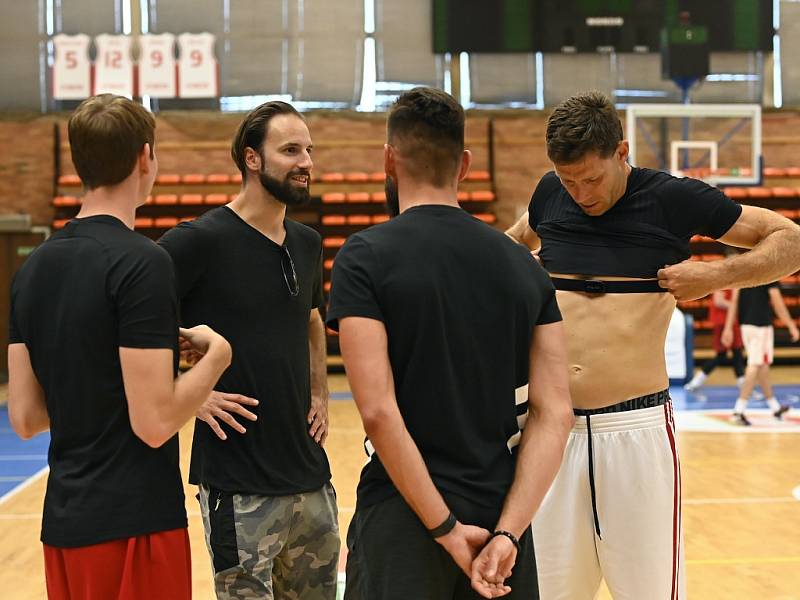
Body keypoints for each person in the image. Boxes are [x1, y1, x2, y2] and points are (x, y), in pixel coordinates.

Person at [505, 90, 800, 600]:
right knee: (548, 592)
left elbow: (789, 240)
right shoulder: (550, 194)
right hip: (547, 430)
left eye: (591, 179)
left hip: (634, 430)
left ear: (622, 153)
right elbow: (504, 252)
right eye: (569, 180)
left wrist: (719, 274)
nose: (580, 192)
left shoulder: (673, 199)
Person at [327, 87, 574, 600]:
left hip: (402, 520)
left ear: (389, 161)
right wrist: (508, 533)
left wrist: (444, 530)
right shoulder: (524, 266)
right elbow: (555, 414)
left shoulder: (364, 257)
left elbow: (377, 411)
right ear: (463, 165)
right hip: (500, 527)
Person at [7, 94, 232, 600]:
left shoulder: (30, 271)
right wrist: (218, 357)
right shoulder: (143, 263)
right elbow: (153, 424)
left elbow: (25, 416)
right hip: (135, 526)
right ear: (145, 157)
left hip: (64, 527)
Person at [158, 100, 339, 599]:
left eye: (308, 150)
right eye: (289, 150)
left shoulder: (306, 242)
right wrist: (190, 394)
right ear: (251, 159)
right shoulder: (198, 242)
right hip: (238, 482)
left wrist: (320, 393)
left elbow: (312, 320)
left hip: (310, 476)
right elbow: (132, 324)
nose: (305, 161)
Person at [727, 283, 799, 425]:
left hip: (745, 326)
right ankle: (739, 410)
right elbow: (777, 303)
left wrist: (728, 327)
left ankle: (774, 407)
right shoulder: (769, 272)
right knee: (755, 364)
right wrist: (791, 326)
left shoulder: (742, 271)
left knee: (762, 366)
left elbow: (734, 301)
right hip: (761, 326)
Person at [683, 288, 745, 391]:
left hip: (731, 322)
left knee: (737, 353)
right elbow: (718, 301)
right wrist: (733, 306)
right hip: (723, 323)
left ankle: (744, 385)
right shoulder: (724, 280)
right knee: (722, 355)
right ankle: (696, 381)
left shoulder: (731, 281)